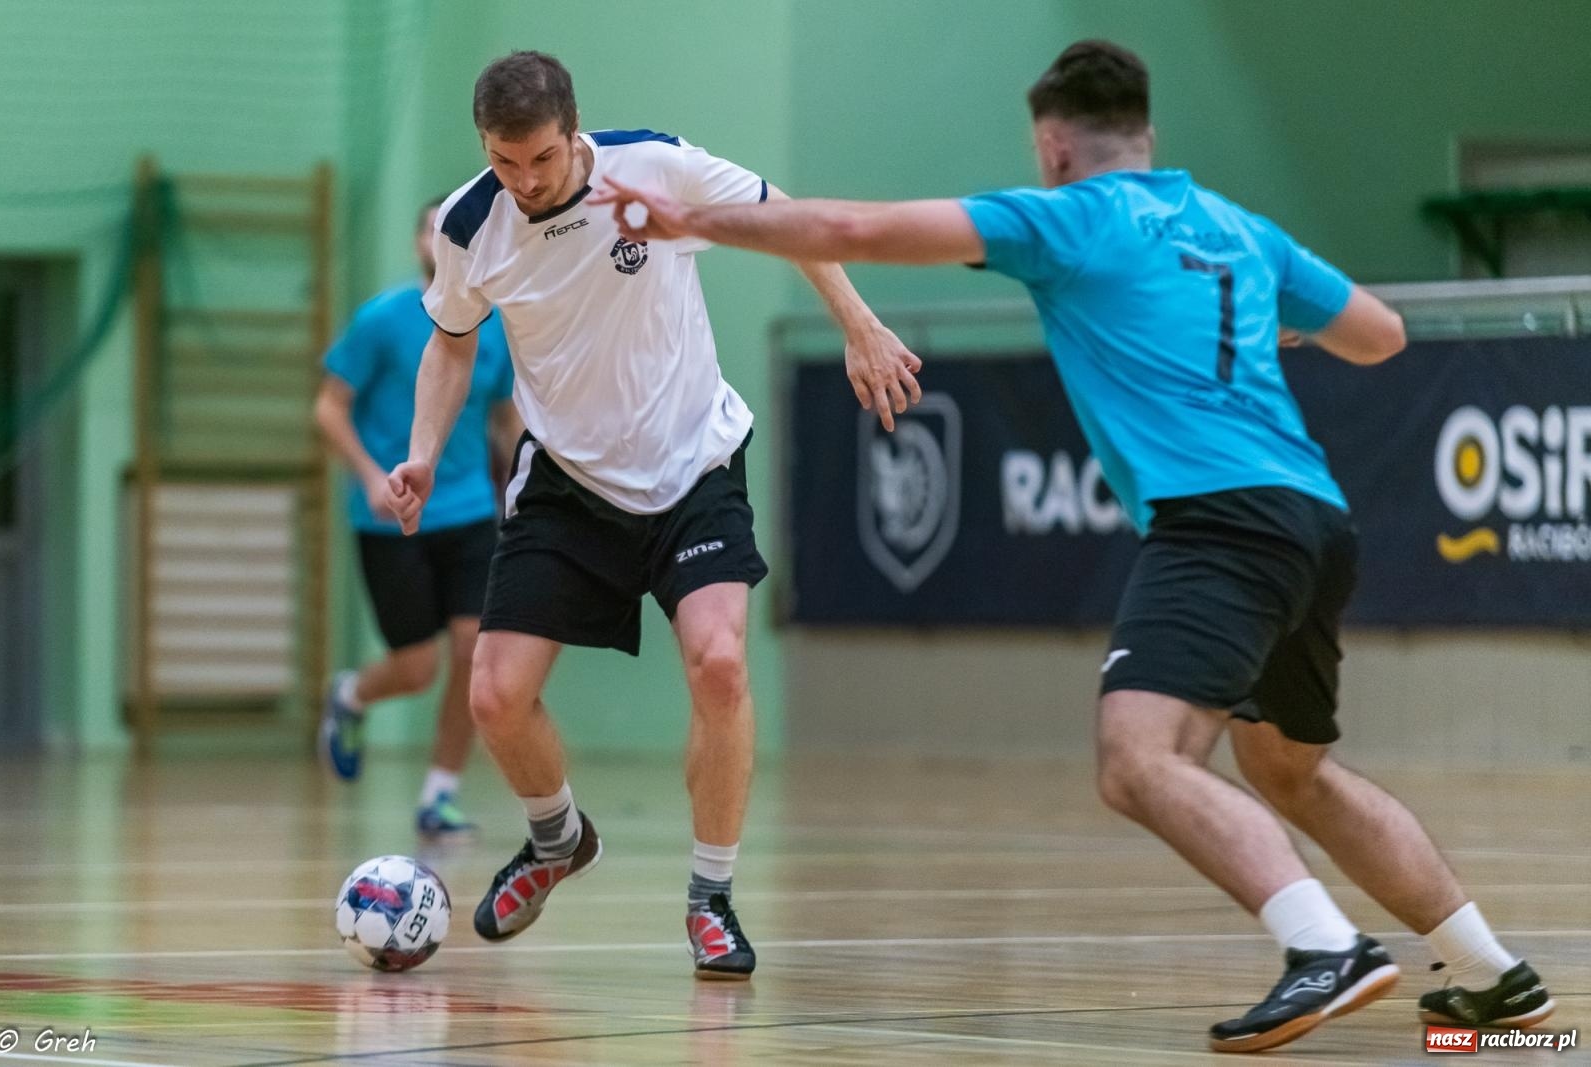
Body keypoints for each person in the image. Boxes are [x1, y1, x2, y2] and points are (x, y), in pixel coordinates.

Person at [589, 39, 1554, 1051]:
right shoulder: (1236, 226)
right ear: (1147, 137)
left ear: (1052, 145)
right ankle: (1496, 978)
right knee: (1292, 770)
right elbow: (1382, 335)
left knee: (1135, 761)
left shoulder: (1062, 219)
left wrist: (690, 216)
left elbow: (850, 227)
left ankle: (1325, 945)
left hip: (1216, 519)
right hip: (1313, 516)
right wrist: (1272, 327)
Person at [385, 50, 920, 980]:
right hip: (566, 480)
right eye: (504, 162)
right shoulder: (475, 224)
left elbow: (789, 220)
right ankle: (557, 839)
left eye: (541, 160)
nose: (525, 182)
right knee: (493, 696)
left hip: (692, 464)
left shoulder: (655, 169)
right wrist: (423, 453)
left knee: (719, 663)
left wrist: (859, 323)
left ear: (573, 132)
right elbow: (450, 344)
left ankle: (710, 895)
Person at [315, 198, 518, 839]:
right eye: (434, 226)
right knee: (416, 668)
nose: (446, 238)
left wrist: (528, 490)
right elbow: (328, 407)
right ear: (418, 243)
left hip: (468, 512)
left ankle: (440, 793)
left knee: (472, 650)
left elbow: (505, 420)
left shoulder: (497, 325)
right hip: (390, 515)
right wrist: (372, 478)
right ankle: (351, 695)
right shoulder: (382, 320)